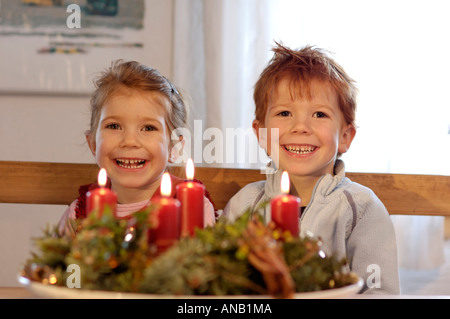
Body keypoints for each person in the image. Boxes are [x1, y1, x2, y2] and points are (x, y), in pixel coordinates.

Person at [223, 43, 399, 294]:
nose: (301, 127)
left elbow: (380, 292)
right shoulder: (244, 205)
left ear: (346, 136)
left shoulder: (362, 209)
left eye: (319, 115)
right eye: (284, 113)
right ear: (261, 134)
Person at [58, 60, 215, 235]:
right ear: (93, 143)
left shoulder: (192, 207)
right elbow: (64, 263)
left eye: (148, 128)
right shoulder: (80, 214)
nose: (129, 141)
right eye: (114, 126)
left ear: (175, 147)